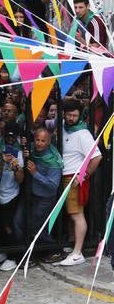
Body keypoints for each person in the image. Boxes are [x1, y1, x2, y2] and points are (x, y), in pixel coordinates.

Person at [56, 98, 101, 266]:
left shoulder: (83, 134)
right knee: (71, 215)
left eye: (74, 115)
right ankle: (71, 245)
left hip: (73, 177)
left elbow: (97, 157)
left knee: (77, 215)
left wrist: (83, 176)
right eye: (69, 115)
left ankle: (77, 252)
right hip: (64, 175)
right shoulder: (62, 126)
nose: (71, 118)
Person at [14, 126, 62, 258]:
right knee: (18, 223)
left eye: (42, 141)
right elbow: (20, 146)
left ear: (48, 142)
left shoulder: (53, 160)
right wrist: (23, 145)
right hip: (30, 195)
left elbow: (53, 186)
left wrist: (35, 174)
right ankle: (26, 253)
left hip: (44, 199)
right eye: (37, 140)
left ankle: (54, 249)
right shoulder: (31, 149)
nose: (39, 143)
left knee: (36, 228)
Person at [0, 124, 24, 272]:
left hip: (10, 194)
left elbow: (20, 179)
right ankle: (1, 251)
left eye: (12, 137)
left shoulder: (20, 153)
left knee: (8, 226)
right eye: (7, 137)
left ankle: (13, 257)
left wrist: (16, 167)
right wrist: (1, 160)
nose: (10, 140)